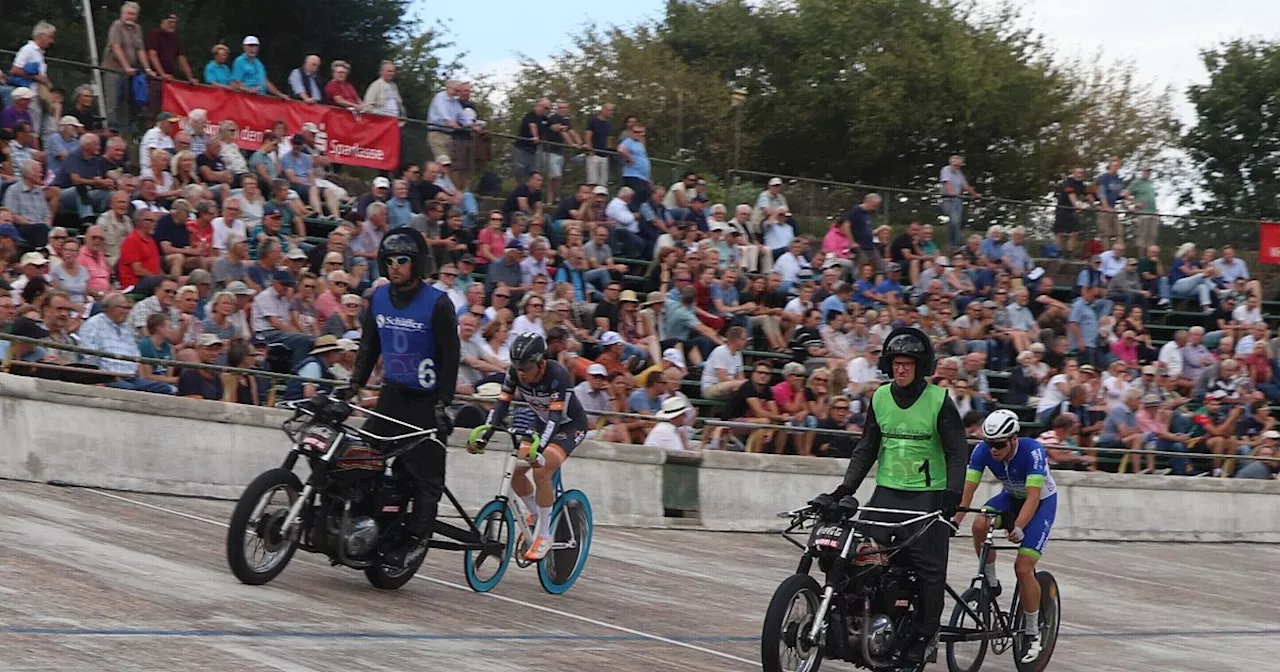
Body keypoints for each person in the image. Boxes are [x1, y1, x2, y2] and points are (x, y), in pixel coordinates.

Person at [808, 327, 968, 664]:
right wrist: (845, 489)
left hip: (928, 497)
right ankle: (858, 624)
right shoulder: (879, 398)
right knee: (858, 557)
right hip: (886, 495)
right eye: (896, 363)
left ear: (921, 366)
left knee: (929, 572)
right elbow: (866, 448)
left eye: (908, 363)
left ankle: (924, 636)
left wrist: (952, 496)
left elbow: (957, 453)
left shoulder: (939, 401)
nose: (901, 369)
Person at [348, 227, 461, 570]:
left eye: (403, 260)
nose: (395, 267)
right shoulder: (378, 299)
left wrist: (444, 403)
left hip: (426, 403)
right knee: (361, 462)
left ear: (418, 264)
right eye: (390, 261)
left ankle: (415, 543)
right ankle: (363, 526)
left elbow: (451, 357)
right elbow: (369, 348)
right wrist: (353, 386)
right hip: (391, 397)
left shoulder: (438, 304)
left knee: (428, 480)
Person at [467, 332, 590, 562]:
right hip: (541, 422)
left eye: (526, 367)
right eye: (517, 367)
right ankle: (535, 513)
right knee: (516, 471)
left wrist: (540, 449)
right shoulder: (515, 372)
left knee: (541, 469)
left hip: (569, 426)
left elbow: (555, 418)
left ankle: (544, 535)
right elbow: (502, 403)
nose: (521, 373)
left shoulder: (557, 375)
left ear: (540, 363)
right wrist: (486, 433)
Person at [953, 409, 1057, 665]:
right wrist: (955, 521)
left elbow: (1033, 497)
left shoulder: (1033, 451)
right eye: (990, 444)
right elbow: (968, 492)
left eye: (999, 444)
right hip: (1010, 498)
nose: (993, 450)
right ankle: (990, 584)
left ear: (1013, 439)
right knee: (979, 524)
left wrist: (1019, 526)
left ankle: (1033, 634)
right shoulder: (982, 451)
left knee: (1023, 568)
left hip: (1040, 504)